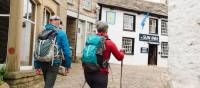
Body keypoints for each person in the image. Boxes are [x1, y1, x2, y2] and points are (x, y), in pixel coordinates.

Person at [84, 22, 125, 88]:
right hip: (100, 75)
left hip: (88, 73)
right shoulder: (109, 42)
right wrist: (122, 52)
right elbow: (120, 57)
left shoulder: (90, 40)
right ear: (106, 30)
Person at [34, 15, 71, 88]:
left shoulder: (42, 33)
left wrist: (37, 66)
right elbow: (67, 51)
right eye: (58, 20)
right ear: (58, 22)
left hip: (42, 61)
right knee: (49, 85)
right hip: (53, 63)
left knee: (48, 84)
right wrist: (67, 65)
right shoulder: (61, 33)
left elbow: (36, 50)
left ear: (50, 22)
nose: (58, 22)